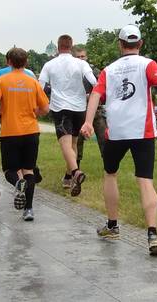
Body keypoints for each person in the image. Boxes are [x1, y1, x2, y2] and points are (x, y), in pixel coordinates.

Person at [80, 24, 157, 256]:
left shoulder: (108, 70)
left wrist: (88, 122)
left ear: (120, 44)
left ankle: (112, 225)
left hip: (116, 132)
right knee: (145, 181)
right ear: (140, 44)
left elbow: (96, 94)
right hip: (143, 132)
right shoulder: (147, 64)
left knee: (110, 174)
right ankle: (152, 235)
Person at [0, 48, 49, 221]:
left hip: (10, 131)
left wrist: (0, 113)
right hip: (31, 131)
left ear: (8, 61)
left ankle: (17, 184)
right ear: (26, 62)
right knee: (29, 170)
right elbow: (46, 108)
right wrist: (34, 113)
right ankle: (28, 209)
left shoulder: (2, 80)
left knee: (10, 169)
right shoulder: (33, 82)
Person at [39, 35, 97, 196]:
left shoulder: (49, 64)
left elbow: (40, 86)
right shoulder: (81, 63)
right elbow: (94, 82)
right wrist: (92, 96)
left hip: (60, 107)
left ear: (58, 47)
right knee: (73, 144)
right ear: (71, 47)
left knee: (65, 144)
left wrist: (40, 103)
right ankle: (69, 178)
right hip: (79, 107)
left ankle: (75, 172)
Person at [71, 47, 106, 170]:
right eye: (78, 57)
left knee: (104, 138)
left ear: (86, 57)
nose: (81, 59)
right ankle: (76, 168)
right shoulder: (71, 72)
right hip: (78, 110)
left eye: (83, 56)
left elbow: (102, 88)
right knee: (77, 141)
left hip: (97, 110)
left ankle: (109, 167)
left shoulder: (95, 71)